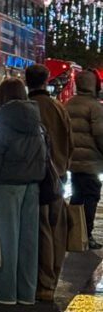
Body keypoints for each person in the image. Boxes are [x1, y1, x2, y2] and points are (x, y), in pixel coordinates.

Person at [0, 77, 47, 309]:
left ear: (3, 97)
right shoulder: (37, 123)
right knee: (29, 242)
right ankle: (26, 294)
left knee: (7, 240)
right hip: (33, 187)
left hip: (8, 187)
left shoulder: (2, 124)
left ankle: (5, 293)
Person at [25, 63, 73, 302]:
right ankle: (51, 280)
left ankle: (42, 284)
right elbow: (70, 142)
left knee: (41, 230)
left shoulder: (28, 108)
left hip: (39, 177)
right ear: (46, 82)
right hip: (59, 177)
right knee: (57, 231)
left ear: (27, 82)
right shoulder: (59, 107)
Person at [65, 69, 103, 248]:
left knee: (77, 196)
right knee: (91, 195)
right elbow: (100, 134)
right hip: (90, 160)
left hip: (73, 160)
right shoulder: (94, 107)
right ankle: (86, 235)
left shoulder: (68, 104)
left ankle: (73, 233)